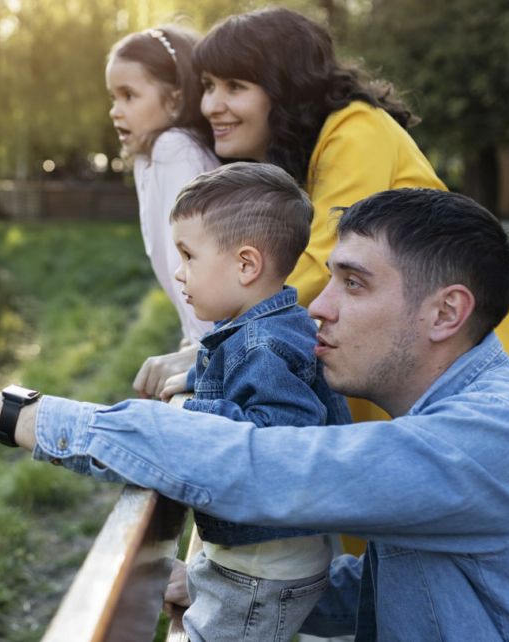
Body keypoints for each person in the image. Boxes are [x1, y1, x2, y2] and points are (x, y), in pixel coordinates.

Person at [0, 189, 509, 640]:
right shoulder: (453, 432)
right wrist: (208, 582)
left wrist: (0, 410)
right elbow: (391, 594)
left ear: (445, 314)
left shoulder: (505, 435)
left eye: (354, 284)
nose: (317, 309)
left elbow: (263, 467)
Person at [131, 7, 509, 406]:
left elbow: (316, 262)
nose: (212, 105)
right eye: (207, 86)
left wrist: (214, 351)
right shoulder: (300, 158)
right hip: (421, 356)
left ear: (285, 89)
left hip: (477, 357)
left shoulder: (356, 130)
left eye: (235, 86)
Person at [162, 162, 351, 639]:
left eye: (188, 256)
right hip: (266, 557)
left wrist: (189, 410)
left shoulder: (261, 344)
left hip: (261, 569)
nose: (178, 273)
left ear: (246, 264)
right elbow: (238, 380)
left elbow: (280, 439)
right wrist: (191, 378)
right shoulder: (275, 324)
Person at [104, 25, 221, 395]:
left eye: (129, 96)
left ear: (174, 100)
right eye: (112, 97)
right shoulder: (149, 156)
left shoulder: (175, 149)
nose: (115, 111)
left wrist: (204, 350)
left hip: (218, 345)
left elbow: (197, 261)